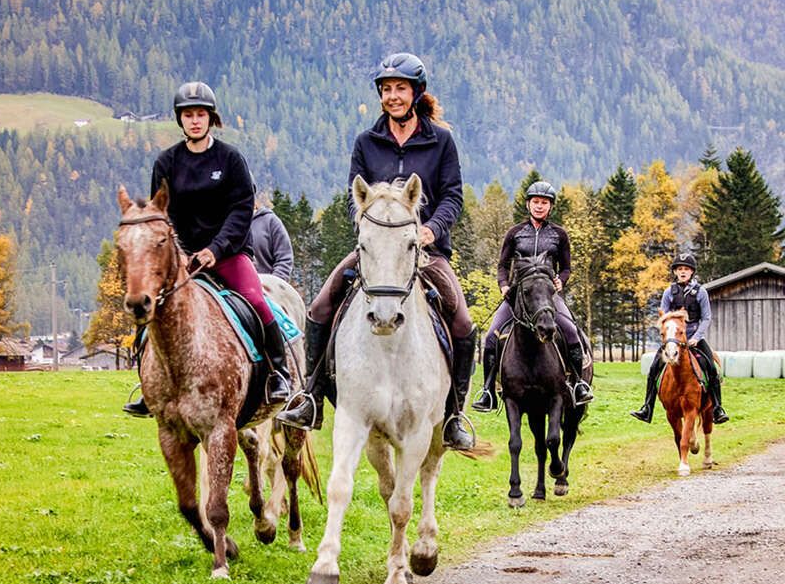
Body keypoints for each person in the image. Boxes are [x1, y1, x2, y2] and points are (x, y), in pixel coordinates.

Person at [277, 52, 477, 450]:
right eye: (386, 90)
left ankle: (454, 415)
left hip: (424, 251)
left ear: (416, 93)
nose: (392, 96)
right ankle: (312, 398)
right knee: (319, 308)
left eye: (400, 89)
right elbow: (355, 196)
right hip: (375, 249)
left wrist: (431, 230)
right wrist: (370, 227)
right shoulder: (366, 143)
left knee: (462, 323)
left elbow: (452, 196)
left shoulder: (441, 142)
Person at [123, 81, 291, 416]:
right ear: (180, 119)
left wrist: (216, 248)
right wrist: (179, 253)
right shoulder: (166, 163)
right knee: (149, 302)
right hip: (181, 257)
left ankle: (278, 372)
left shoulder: (230, 159)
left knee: (256, 298)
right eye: (188, 115)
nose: (195, 120)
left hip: (227, 253)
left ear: (210, 118)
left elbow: (242, 208)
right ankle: (147, 384)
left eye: (201, 114)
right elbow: (159, 213)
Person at [472, 180, 593, 412]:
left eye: (544, 203)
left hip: (548, 296)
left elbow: (566, 267)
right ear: (528, 204)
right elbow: (502, 265)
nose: (539, 206)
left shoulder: (559, 234)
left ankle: (578, 383)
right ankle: (488, 390)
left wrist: (561, 280)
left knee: (570, 331)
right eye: (536, 202)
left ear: (550, 207)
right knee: (490, 336)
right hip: (518, 296)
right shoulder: (515, 233)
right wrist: (504, 285)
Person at [630, 253, 729, 425]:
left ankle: (718, 408)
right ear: (675, 272)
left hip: (694, 338)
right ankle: (647, 408)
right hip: (673, 340)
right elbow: (663, 316)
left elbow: (706, 318)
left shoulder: (701, 292)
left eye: (686, 269)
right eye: (680, 269)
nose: (683, 272)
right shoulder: (669, 292)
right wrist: (669, 336)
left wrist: (697, 337)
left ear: (692, 272)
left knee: (711, 369)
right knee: (654, 369)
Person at [251, 198, 294, 281]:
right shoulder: (227, 226)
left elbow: (285, 258)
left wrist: (273, 284)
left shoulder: (270, 221)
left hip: (267, 288)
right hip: (231, 290)